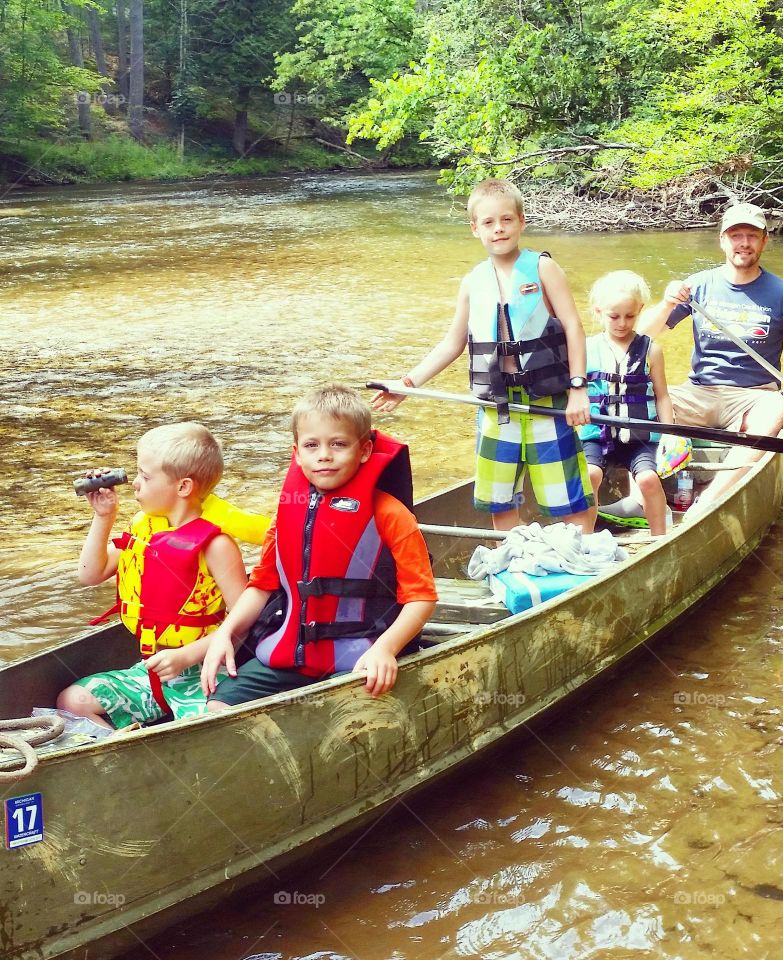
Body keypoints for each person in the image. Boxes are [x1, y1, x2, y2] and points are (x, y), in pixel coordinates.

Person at [372, 178, 595, 532]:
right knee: (501, 501)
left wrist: (579, 389)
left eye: (507, 220)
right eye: (489, 223)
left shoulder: (542, 268)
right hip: (497, 408)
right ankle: (514, 563)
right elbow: (451, 344)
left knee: (568, 498)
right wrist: (407, 383)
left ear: (521, 221)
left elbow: (573, 326)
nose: (499, 229)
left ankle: (579, 559)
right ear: (475, 228)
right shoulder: (473, 282)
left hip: (548, 402)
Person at [201, 385, 437, 707]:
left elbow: (421, 597)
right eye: (312, 445)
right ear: (297, 453)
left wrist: (385, 649)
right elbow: (261, 587)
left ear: (365, 450)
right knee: (217, 705)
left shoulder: (391, 514)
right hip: (292, 656)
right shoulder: (286, 515)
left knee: (346, 707)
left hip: (361, 657)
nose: (324, 455)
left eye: (339, 444)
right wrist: (225, 634)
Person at [640, 201, 783, 510]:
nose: (743, 243)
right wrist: (665, 304)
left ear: (764, 241)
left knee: (776, 410)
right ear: (722, 240)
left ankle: (710, 499)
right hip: (700, 392)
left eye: (752, 236)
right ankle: (641, 495)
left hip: (755, 398)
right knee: (636, 401)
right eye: (735, 235)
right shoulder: (698, 285)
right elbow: (641, 335)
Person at [57, 423, 249, 729]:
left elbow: (243, 626)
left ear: (183, 487)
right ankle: (123, 753)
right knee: (71, 701)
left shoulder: (217, 546)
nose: (135, 483)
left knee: (204, 726)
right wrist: (103, 516)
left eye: (146, 477)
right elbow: (89, 575)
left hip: (203, 674)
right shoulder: (144, 531)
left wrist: (186, 656)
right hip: (150, 672)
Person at [580, 271, 675, 536]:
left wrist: (670, 434)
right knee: (589, 476)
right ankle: (585, 539)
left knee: (648, 479)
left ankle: (660, 538)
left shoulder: (651, 350)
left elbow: (662, 395)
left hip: (640, 437)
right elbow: (571, 391)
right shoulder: (585, 349)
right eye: (614, 316)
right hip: (596, 435)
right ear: (599, 312)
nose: (622, 323)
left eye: (630, 316)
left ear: (640, 311)